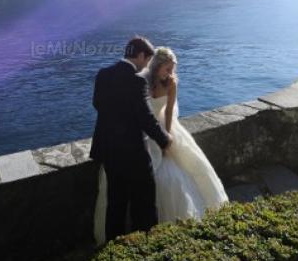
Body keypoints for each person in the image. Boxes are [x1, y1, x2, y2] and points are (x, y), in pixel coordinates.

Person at [92, 45, 229, 245]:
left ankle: (153, 232)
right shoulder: (141, 81)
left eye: (172, 69)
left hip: (162, 130)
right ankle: (132, 236)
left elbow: (169, 113)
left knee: (172, 178)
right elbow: (140, 114)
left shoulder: (171, 84)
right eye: (167, 69)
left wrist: (166, 140)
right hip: (142, 135)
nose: (171, 73)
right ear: (156, 66)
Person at [89, 36, 172, 243]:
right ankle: (144, 247)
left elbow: (98, 104)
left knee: (115, 203)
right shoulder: (137, 81)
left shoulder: (103, 75)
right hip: (132, 153)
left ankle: (113, 249)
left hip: (108, 150)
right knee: (144, 203)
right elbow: (145, 118)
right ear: (141, 55)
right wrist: (165, 140)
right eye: (147, 60)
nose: (147, 65)